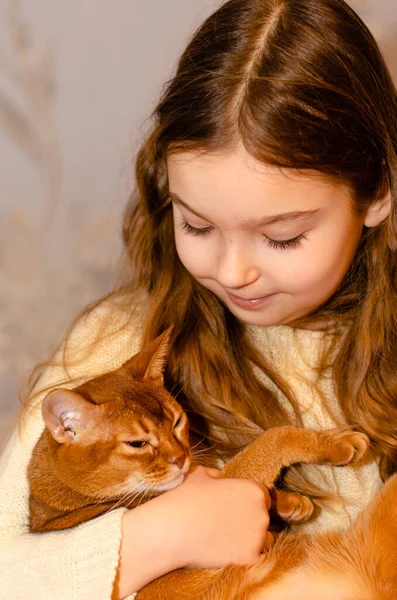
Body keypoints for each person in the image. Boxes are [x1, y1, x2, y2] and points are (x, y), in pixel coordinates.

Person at [1, 0, 396, 598]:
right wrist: (157, 540)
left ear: (376, 197)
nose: (234, 272)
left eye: (281, 236)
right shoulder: (117, 349)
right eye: (198, 226)